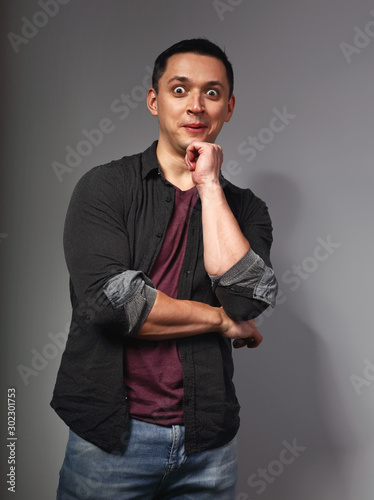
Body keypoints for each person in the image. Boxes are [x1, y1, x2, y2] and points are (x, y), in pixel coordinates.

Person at [51, 38, 278, 499]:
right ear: (154, 100)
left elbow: (248, 297)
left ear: (229, 107)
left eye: (212, 93)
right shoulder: (104, 188)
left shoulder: (246, 208)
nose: (196, 105)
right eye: (179, 89)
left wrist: (209, 186)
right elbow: (117, 307)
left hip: (207, 444)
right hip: (112, 441)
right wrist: (220, 320)